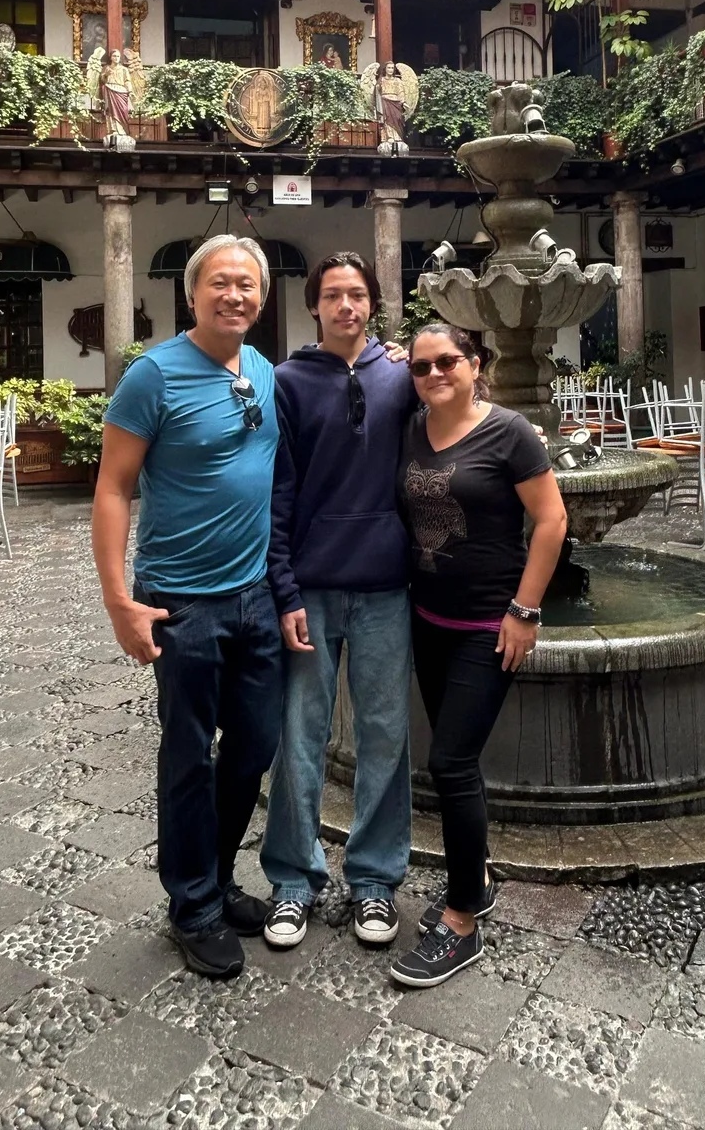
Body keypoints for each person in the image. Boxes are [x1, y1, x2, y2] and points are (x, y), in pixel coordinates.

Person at [92, 234, 282, 980]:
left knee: (252, 747)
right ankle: (192, 905)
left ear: (261, 300)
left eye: (248, 286)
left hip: (257, 597)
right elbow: (112, 489)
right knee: (187, 753)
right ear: (192, 292)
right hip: (181, 603)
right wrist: (119, 602)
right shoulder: (153, 376)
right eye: (221, 284)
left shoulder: (262, 369)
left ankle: (219, 874)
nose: (235, 296)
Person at [390, 323, 567, 988]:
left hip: (488, 626)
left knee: (451, 761)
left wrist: (525, 611)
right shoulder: (412, 426)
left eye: (447, 362)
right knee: (452, 756)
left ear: (474, 364)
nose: (434, 374)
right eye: (421, 366)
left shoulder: (511, 432)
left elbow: (551, 521)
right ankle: (480, 878)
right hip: (428, 617)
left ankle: (462, 921)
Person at [262, 252, 416, 949]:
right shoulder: (289, 382)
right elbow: (279, 489)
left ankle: (376, 880)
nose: (346, 306)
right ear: (314, 306)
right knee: (301, 737)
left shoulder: (404, 375)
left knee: (385, 735)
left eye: (357, 295)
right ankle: (294, 880)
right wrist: (284, 587)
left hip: (387, 584)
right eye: (333, 295)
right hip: (313, 590)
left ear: (373, 304)